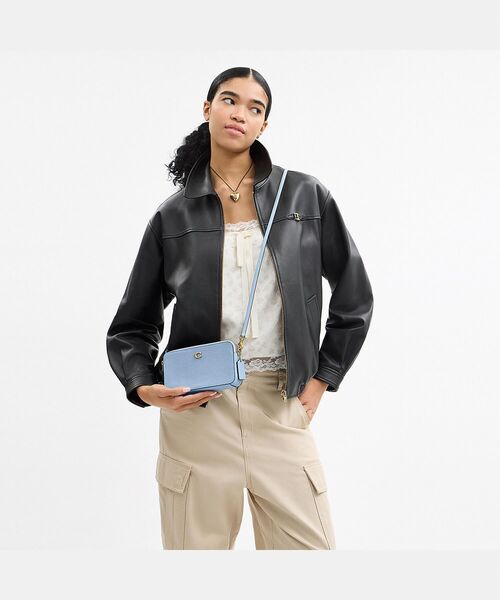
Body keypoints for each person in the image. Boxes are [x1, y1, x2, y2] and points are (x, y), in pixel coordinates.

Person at [106, 66, 374, 550]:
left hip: (280, 404)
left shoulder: (305, 196)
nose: (240, 114)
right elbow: (133, 324)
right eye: (230, 100)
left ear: (264, 125)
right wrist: (144, 386)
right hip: (197, 411)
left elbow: (354, 295)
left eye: (255, 108)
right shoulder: (172, 215)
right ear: (207, 108)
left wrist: (323, 376)